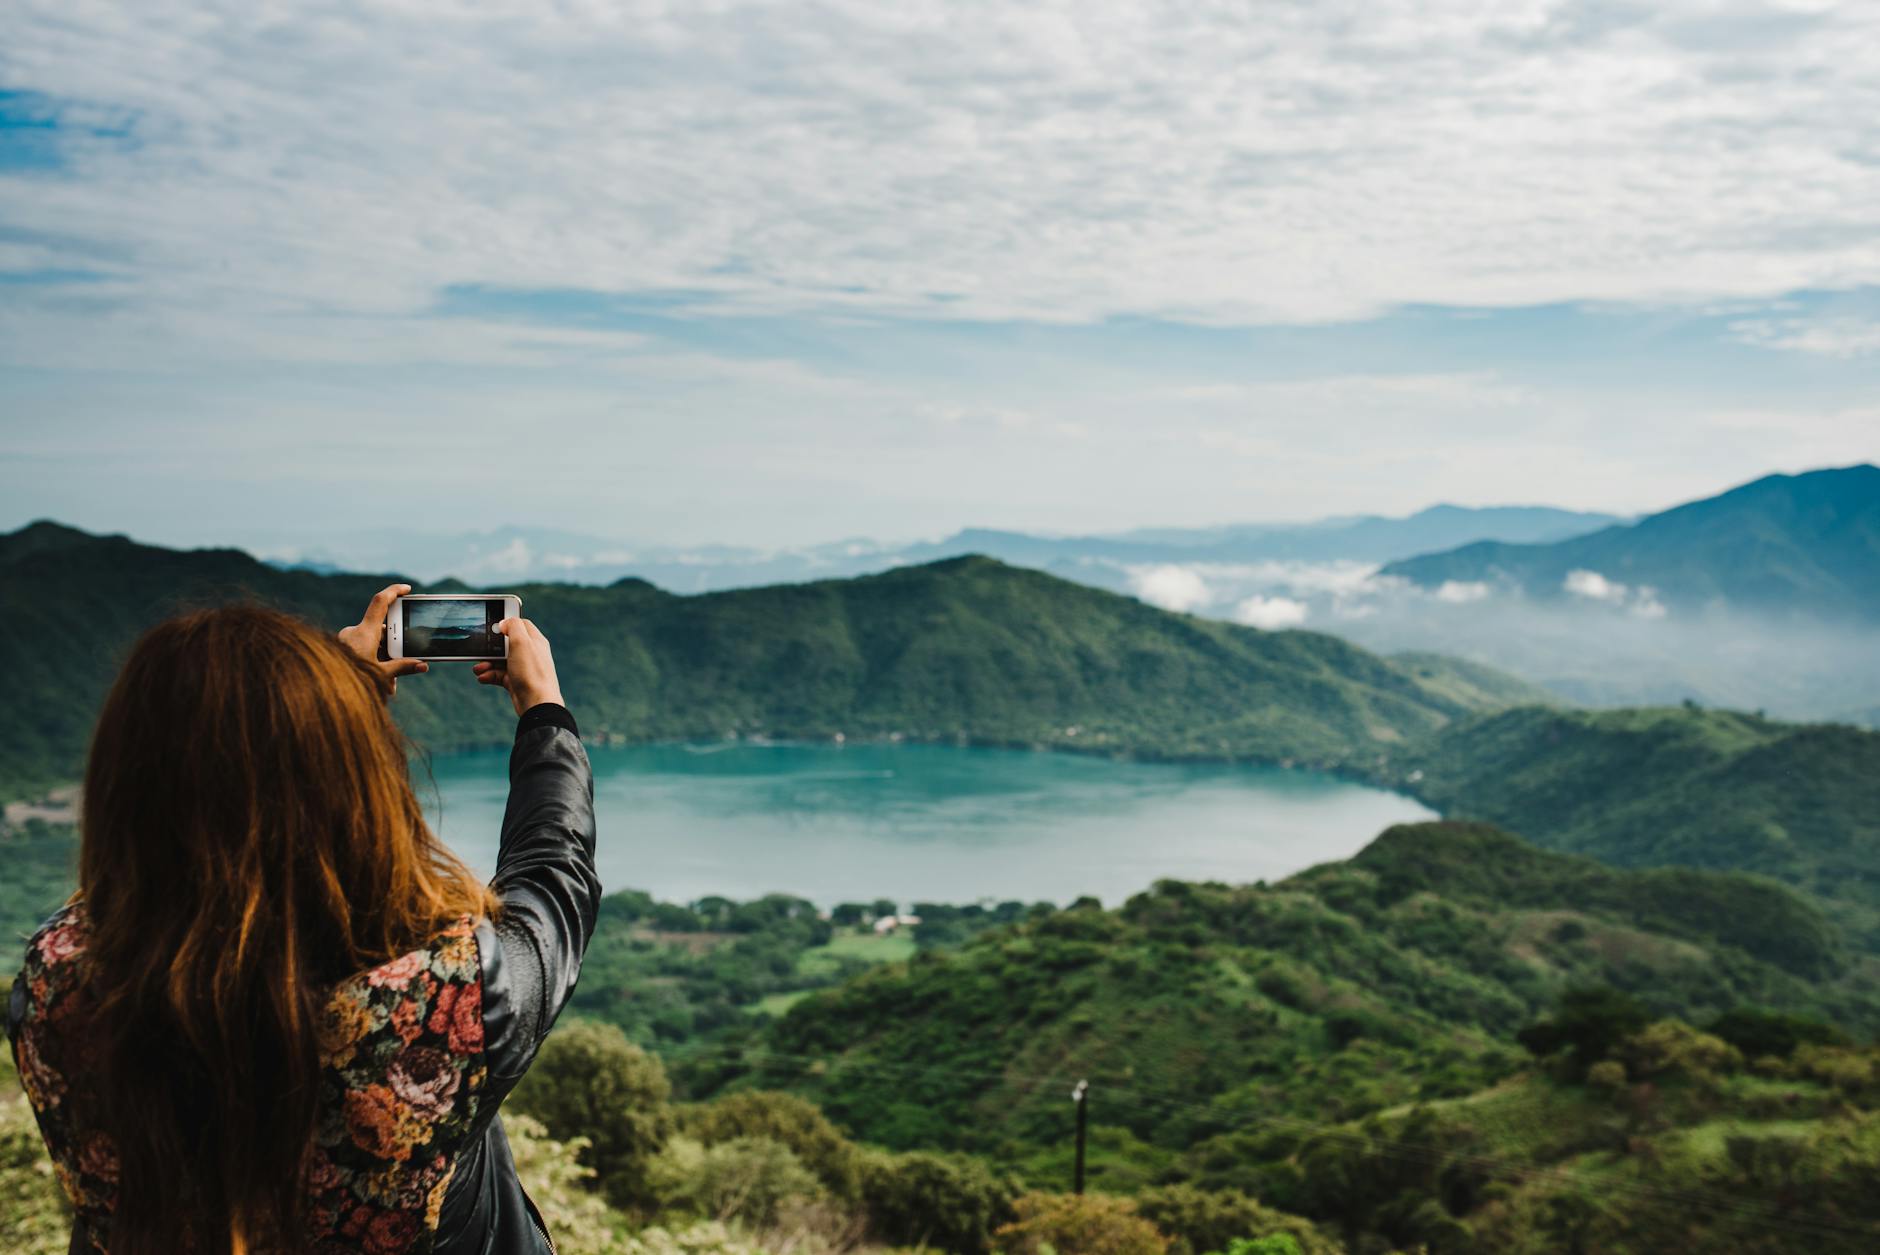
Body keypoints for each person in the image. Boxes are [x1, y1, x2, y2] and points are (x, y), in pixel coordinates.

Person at [6, 584, 600, 1254]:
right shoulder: (443, 1001)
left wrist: (336, 700)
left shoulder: (56, 988)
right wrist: (544, 711)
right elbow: (552, 880)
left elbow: (193, 859)